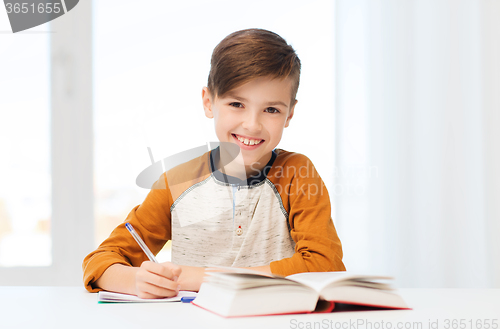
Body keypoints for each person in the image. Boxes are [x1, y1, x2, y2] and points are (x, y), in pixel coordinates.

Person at [82, 28, 345, 299]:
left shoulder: (297, 173)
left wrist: (199, 277)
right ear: (209, 103)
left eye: (271, 110)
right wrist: (135, 280)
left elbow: (325, 265)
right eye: (236, 104)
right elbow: (99, 261)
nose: (252, 125)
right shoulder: (175, 182)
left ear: (289, 113)